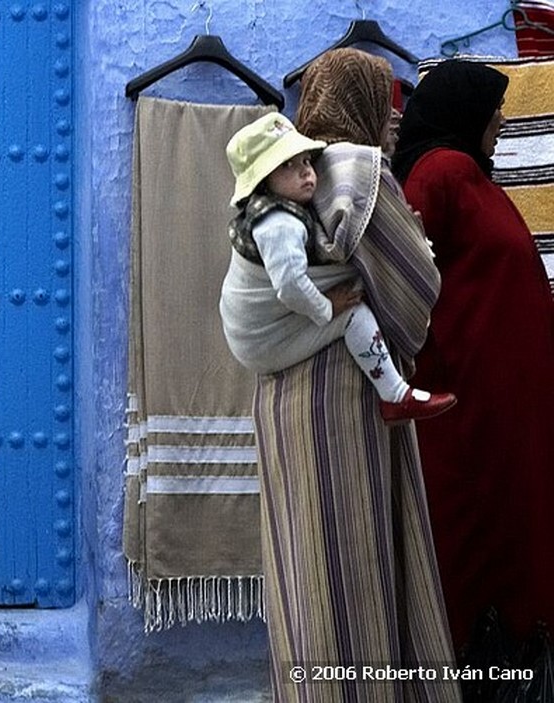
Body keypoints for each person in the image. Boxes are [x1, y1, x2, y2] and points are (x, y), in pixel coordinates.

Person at [220, 47, 462, 702]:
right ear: (362, 106)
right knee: (353, 571)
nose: (392, 122)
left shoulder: (278, 179)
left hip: (278, 401)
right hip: (346, 401)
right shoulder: (363, 172)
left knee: (304, 573)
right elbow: (416, 299)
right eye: (384, 105)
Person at [392, 60, 554, 657]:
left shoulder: (467, 174)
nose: (504, 120)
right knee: (486, 543)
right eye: (494, 108)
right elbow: (404, 276)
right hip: (473, 411)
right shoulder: (442, 174)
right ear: (465, 112)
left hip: (503, 407)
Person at [222, 111, 456, 424]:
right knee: (353, 314)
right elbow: (290, 284)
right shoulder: (279, 224)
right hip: (263, 339)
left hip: (251, 332)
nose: (305, 173)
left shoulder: (283, 210)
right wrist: (326, 307)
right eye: (287, 166)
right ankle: (396, 395)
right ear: (263, 182)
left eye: (305, 161)